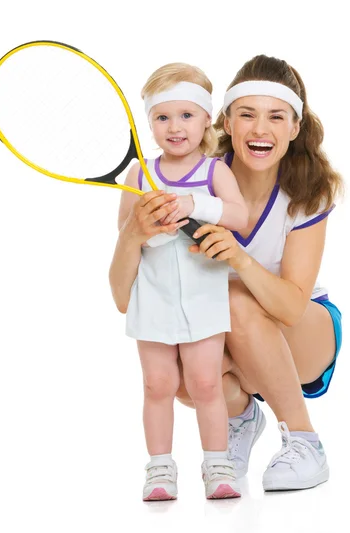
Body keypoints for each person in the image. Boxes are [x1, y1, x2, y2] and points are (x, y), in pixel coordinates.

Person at [172, 55, 345, 492]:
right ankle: (241, 417)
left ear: (295, 127)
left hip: (304, 329)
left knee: (235, 297)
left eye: (275, 116)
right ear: (226, 124)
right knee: (179, 376)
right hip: (229, 330)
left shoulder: (307, 191)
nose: (259, 129)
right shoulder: (195, 184)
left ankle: (305, 442)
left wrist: (239, 259)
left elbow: (290, 306)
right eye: (246, 114)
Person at [109, 63, 248, 501]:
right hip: (153, 297)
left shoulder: (215, 171)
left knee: (206, 383)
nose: (175, 127)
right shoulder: (139, 173)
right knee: (158, 385)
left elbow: (238, 216)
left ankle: (218, 465)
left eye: (186, 115)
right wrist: (149, 227)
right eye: (162, 117)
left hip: (204, 295)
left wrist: (194, 204)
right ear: (149, 122)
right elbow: (125, 232)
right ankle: (160, 470)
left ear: (208, 118)